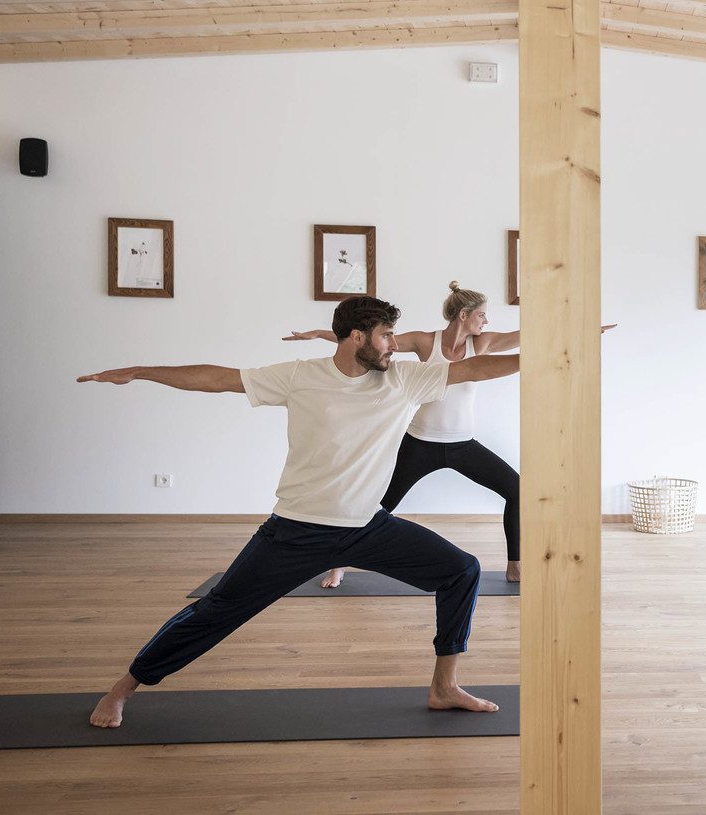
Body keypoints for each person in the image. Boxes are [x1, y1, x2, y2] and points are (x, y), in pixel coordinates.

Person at [79, 296, 518, 727]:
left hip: (367, 526)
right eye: (386, 336)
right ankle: (124, 686)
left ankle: (444, 687)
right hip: (297, 531)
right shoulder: (300, 376)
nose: (393, 344)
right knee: (214, 613)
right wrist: (140, 372)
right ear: (355, 336)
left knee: (461, 570)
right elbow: (219, 378)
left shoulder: (405, 380)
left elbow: (475, 368)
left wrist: (541, 356)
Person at [286, 280, 614, 587]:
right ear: (464, 315)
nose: (486, 321)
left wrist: (581, 331)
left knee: (517, 490)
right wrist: (319, 334)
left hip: (462, 445)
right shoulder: (425, 341)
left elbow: (531, 335)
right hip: (419, 443)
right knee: (378, 502)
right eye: (482, 315)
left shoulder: (482, 343)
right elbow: (369, 340)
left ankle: (516, 563)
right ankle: (339, 563)